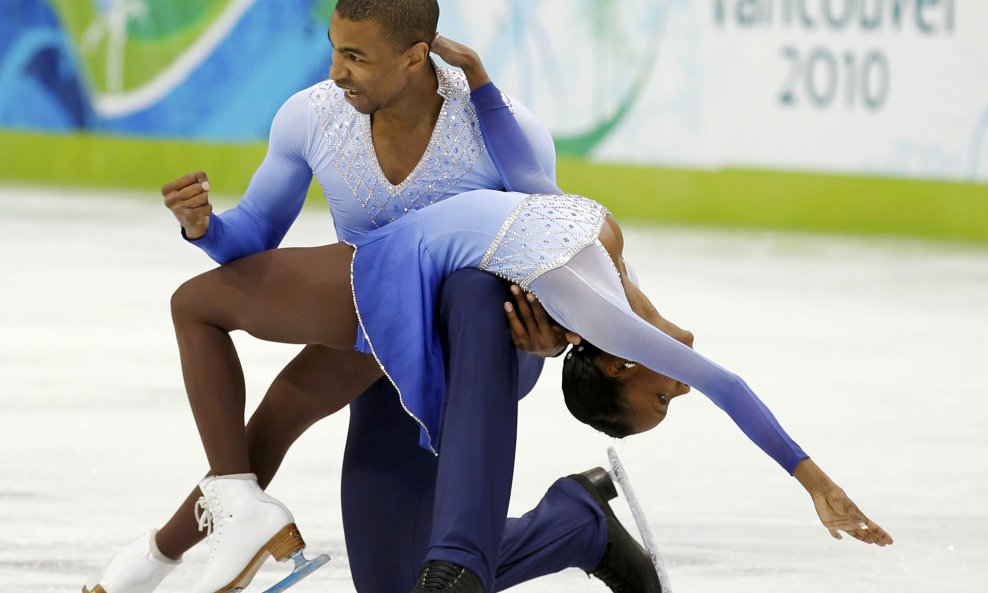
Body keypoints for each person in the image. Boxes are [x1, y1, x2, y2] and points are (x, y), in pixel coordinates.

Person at [83, 3, 660, 593]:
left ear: (415, 57)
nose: (337, 71)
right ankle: (577, 524)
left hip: (483, 346)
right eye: (334, 48)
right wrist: (206, 227)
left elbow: (568, 244)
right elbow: (254, 232)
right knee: (391, 582)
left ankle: (156, 557)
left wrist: (556, 340)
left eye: (356, 57)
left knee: (294, 392)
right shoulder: (311, 117)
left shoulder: (498, 126)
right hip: (374, 326)